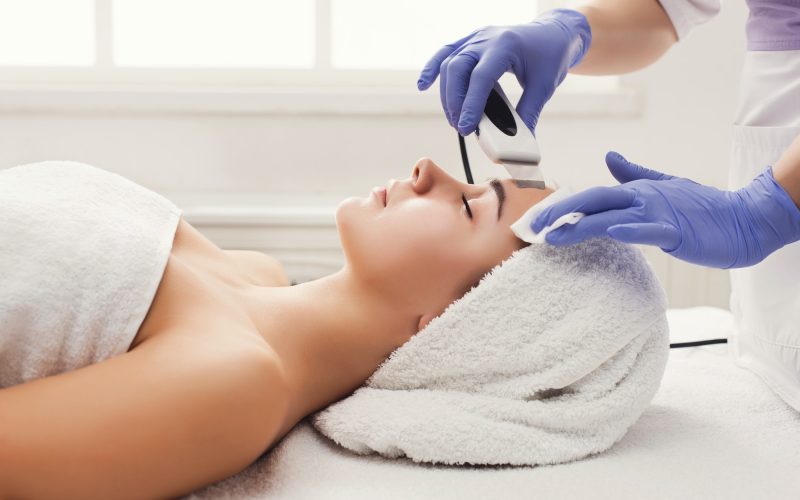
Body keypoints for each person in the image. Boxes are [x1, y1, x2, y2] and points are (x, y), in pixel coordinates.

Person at [0, 157, 549, 498]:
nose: (428, 169)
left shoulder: (236, 384)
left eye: (469, 207)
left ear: (450, 322)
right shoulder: (254, 271)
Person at [420, 0, 800, 411]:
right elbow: (669, 8)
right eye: (469, 204)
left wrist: (766, 211)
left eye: (469, 207)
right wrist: (573, 31)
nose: (425, 168)